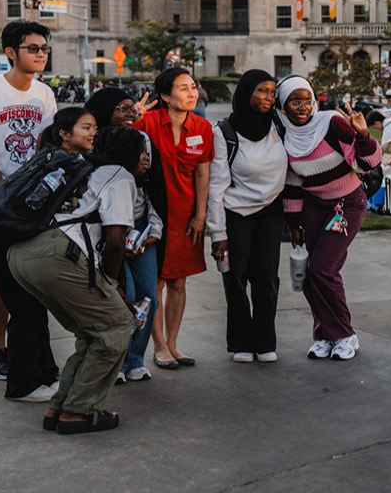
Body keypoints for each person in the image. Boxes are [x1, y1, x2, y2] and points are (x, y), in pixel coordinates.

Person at [8, 123, 143, 435]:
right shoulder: (119, 177)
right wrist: (110, 283)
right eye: (143, 152)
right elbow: (114, 240)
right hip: (58, 254)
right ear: (130, 153)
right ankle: (80, 411)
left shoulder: (81, 168)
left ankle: (62, 406)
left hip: (23, 253)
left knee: (91, 332)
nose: (145, 160)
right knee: (117, 327)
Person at [0, 20, 59, 401]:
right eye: (33, 48)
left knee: (23, 273)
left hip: (27, 200)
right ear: (10, 52)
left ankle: (19, 353)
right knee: (0, 277)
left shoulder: (44, 94)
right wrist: (5, 195)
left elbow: (47, 147)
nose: (40, 54)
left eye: (43, 48)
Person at [277, 75, 380, 361]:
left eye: (307, 101)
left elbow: (367, 164)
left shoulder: (331, 123)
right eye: (294, 102)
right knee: (310, 274)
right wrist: (294, 226)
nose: (302, 107)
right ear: (283, 106)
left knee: (323, 267)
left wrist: (363, 136)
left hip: (347, 204)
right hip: (314, 205)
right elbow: (292, 182)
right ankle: (324, 334)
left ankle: (346, 335)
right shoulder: (283, 133)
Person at [135, 67, 212, 369]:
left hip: (186, 216)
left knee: (179, 283)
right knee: (154, 284)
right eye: (183, 88)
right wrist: (132, 119)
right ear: (165, 96)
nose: (191, 93)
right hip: (153, 215)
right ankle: (159, 346)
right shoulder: (148, 123)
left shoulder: (203, 128)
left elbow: (203, 174)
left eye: (193, 86)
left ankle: (174, 343)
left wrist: (201, 215)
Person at [208, 70, 288, 363]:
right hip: (236, 212)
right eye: (262, 91)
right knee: (236, 277)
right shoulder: (224, 133)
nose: (269, 97)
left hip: (271, 211)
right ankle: (242, 341)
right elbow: (216, 186)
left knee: (267, 277)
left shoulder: (279, 125)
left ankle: (265, 341)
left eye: (272, 92)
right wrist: (218, 234)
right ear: (245, 93)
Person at [83, 87, 162, 383]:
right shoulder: (92, 142)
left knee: (146, 295)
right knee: (117, 295)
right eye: (122, 108)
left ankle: (135, 359)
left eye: (133, 108)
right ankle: (113, 361)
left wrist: (153, 229)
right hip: (106, 230)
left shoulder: (142, 141)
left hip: (140, 226)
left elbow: (155, 189)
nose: (130, 114)